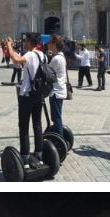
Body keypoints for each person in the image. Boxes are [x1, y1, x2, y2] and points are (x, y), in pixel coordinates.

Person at [4, 34, 47, 167]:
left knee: (23, 126)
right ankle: (39, 154)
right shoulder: (42, 55)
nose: (24, 43)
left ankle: (25, 157)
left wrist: (9, 45)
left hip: (27, 94)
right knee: (37, 124)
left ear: (30, 43)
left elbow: (16, 59)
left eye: (25, 41)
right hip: (39, 93)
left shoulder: (30, 54)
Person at [46, 35, 68, 137]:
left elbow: (46, 72)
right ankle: (59, 136)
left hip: (56, 92)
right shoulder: (61, 56)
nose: (48, 44)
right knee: (57, 116)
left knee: (56, 118)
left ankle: (59, 139)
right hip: (60, 90)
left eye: (50, 42)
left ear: (54, 44)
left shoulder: (56, 59)